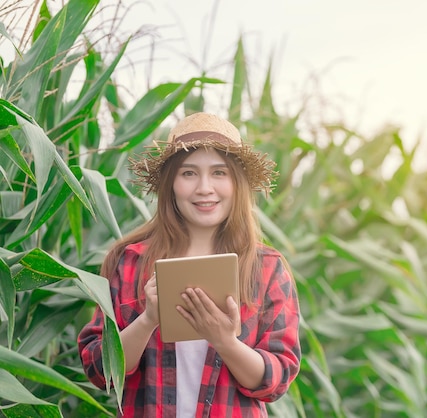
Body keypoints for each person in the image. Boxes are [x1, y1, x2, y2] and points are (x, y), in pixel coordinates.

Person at [78, 112, 301, 417]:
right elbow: (101, 371)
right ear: (171, 183)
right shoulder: (129, 262)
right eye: (189, 173)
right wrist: (147, 320)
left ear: (237, 184)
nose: (204, 188)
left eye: (219, 173)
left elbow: (276, 380)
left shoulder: (267, 269)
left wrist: (225, 342)